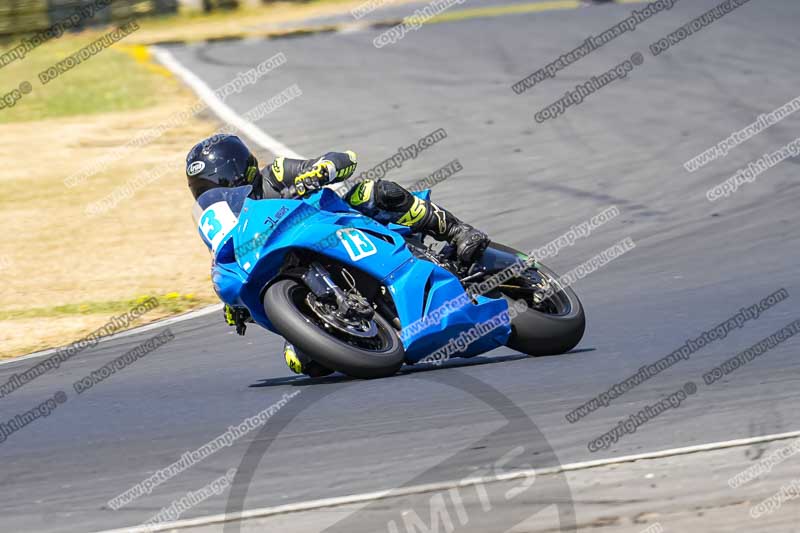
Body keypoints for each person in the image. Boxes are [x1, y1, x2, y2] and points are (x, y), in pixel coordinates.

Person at [187, 134, 489, 376]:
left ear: (240, 170)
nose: (214, 192)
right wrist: (237, 305)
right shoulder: (230, 224)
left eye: (216, 182)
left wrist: (320, 170)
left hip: (336, 225)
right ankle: (364, 330)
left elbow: (344, 159)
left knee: (373, 192)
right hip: (292, 268)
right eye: (203, 189)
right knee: (304, 364)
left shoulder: (274, 176)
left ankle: (456, 231)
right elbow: (226, 255)